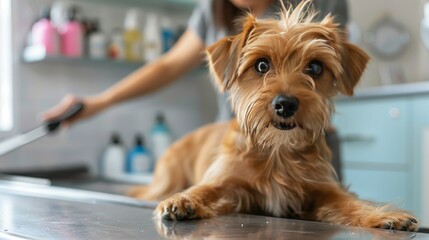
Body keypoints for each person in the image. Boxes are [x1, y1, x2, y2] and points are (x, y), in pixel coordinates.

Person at [44, 0, 349, 126]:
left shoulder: (318, 4)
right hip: (235, 146)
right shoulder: (212, 9)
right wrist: (98, 102)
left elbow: (341, 66)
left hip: (308, 141)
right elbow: (168, 66)